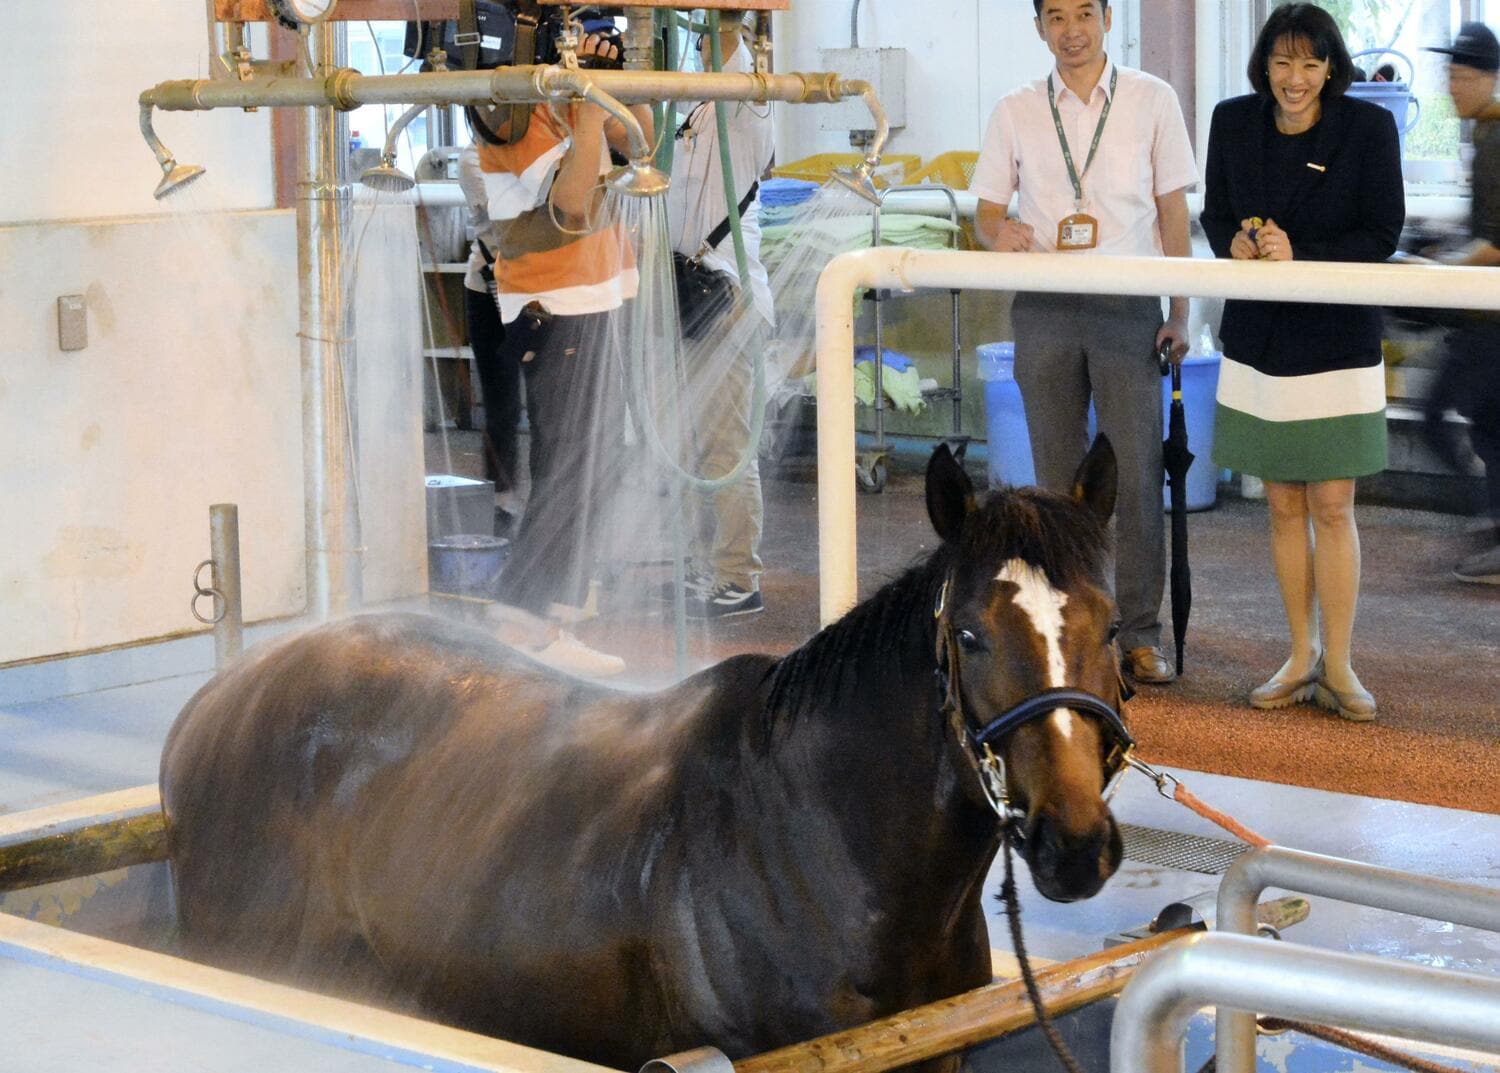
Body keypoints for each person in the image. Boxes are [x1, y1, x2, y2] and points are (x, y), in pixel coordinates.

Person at [971, 0, 1197, 685]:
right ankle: (1065, 630)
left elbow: (1173, 214)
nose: (1072, 31)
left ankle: (1139, 633)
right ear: (1039, 26)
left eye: (1085, 14)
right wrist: (995, 231)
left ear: (1107, 18)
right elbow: (984, 209)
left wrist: (1182, 312)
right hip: (1044, 307)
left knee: (1133, 476)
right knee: (1056, 484)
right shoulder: (1015, 107)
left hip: (1128, 303)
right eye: (1057, 17)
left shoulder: (1152, 99)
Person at [1201, 3, 1405, 720]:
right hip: (1260, 340)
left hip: (1338, 338)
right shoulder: (1232, 121)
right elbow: (1215, 214)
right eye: (1283, 63)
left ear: (1331, 67)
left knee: (1334, 503)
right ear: (1265, 65)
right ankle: (1298, 653)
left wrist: (1302, 254)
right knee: (1282, 504)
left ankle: (1340, 664)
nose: (1296, 78)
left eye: (1311, 64)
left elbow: (1383, 232)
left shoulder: (1368, 128)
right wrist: (1236, 242)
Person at [474, 31, 655, 677]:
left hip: (596, 296)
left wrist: (619, 86)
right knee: (570, 468)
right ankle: (519, 619)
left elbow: (642, 145)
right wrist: (587, 111)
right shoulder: (515, 112)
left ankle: (549, 619)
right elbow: (573, 204)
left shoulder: (566, 98)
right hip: (557, 305)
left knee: (594, 462)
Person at [664, 15, 776, 619]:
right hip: (682, 286)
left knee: (725, 444)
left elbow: (748, 91)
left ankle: (738, 574)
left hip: (725, 293)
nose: (705, 29)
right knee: (681, 440)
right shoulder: (684, 91)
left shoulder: (749, 97)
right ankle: (696, 565)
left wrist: (730, 27)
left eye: (720, 21)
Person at [1421, 22, 1500, 585]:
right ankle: (1493, 521)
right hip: (1483, 311)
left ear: (1490, 79)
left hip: (1488, 314)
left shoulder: (1495, 139)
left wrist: (1438, 272)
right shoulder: (1482, 135)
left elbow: (1497, 243)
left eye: (1464, 74)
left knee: (1445, 415)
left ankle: (1491, 517)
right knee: (1488, 424)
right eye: (1449, 73)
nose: (1452, 85)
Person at [457, 140, 522, 533]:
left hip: (541, 288)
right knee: (502, 406)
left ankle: (547, 505)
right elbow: (511, 221)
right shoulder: (473, 157)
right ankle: (502, 502)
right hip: (489, 289)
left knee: (550, 410)